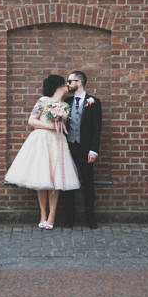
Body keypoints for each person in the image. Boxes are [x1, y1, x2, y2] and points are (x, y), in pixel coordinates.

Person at [5, 75, 81, 229]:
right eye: (64, 83)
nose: (68, 85)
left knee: (55, 178)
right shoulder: (43, 101)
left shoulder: (65, 105)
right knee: (42, 178)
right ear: (57, 85)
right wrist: (50, 126)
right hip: (42, 140)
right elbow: (31, 120)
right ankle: (43, 215)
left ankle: (52, 217)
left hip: (58, 142)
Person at [63, 71, 102, 229]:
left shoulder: (94, 102)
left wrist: (93, 150)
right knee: (68, 184)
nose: (68, 84)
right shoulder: (66, 101)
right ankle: (69, 218)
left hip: (86, 149)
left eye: (70, 81)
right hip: (68, 147)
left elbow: (97, 128)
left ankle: (90, 218)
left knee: (88, 183)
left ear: (79, 82)